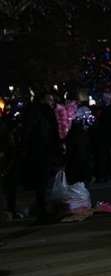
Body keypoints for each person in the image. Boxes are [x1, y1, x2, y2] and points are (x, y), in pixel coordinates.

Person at [21, 92, 62, 224]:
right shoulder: (42, 112)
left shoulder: (38, 112)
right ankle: (43, 211)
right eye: (49, 99)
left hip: (41, 151)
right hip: (42, 151)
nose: (52, 102)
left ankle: (43, 210)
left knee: (42, 183)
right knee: (42, 182)